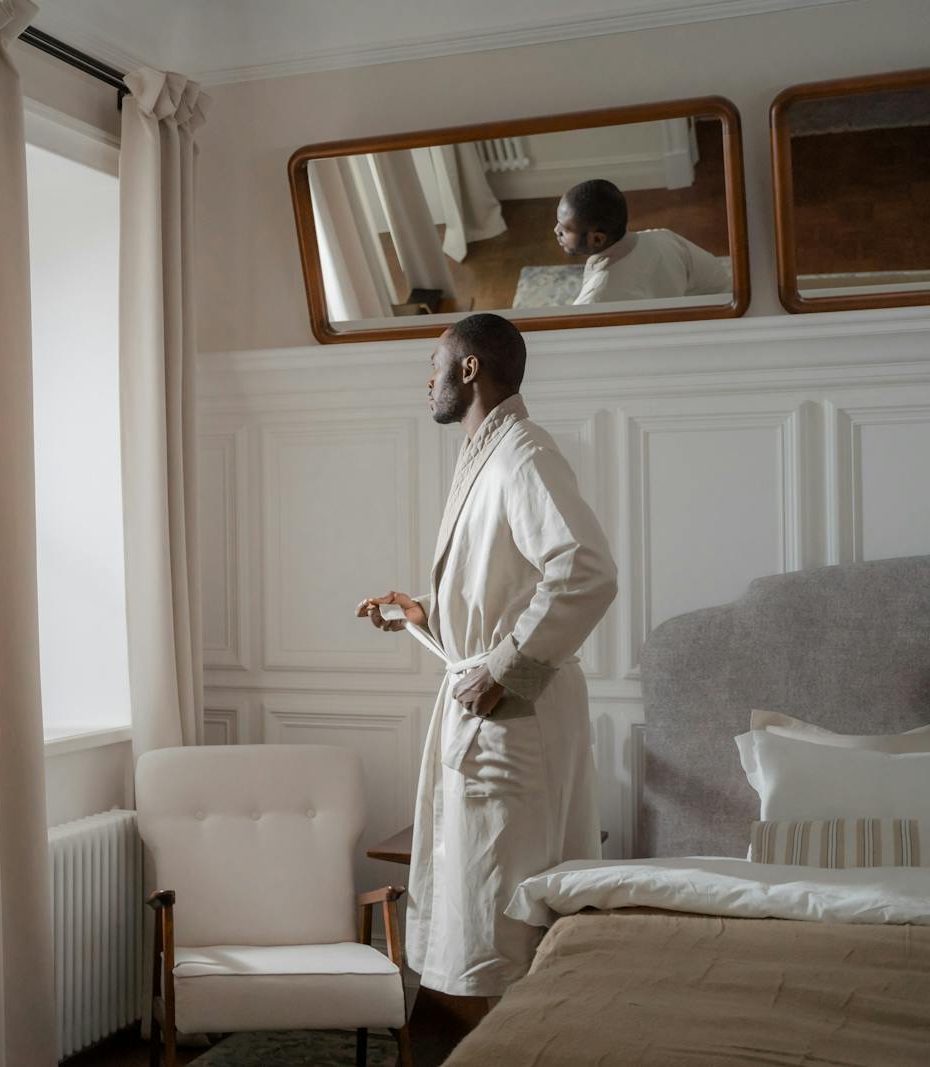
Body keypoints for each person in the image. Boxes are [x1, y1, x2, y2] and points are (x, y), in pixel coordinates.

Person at [356, 313, 617, 1002]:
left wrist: (501, 669)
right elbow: (505, 583)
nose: (427, 379)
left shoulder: (524, 452)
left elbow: (586, 570)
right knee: (477, 912)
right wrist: (424, 611)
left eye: (434, 364)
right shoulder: (488, 453)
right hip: (486, 705)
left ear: (469, 369)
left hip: (514, 718)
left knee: (504, 920)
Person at [555, 178, 730, 305]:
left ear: (598, 239)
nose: (556, 230)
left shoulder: (596, 298)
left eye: (565, 229)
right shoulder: (663, 237)